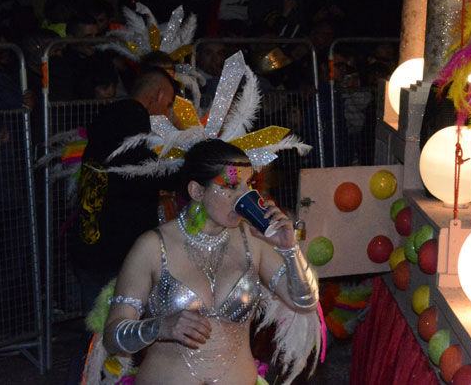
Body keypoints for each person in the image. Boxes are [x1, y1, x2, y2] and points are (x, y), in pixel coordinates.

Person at [98, 139, 318, 385]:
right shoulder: (152, 246)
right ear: (197, 191)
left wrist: (289, 249)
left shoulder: (254, 242)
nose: (244, 196)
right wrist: (160, 327)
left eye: (248, 185)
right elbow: (112, 337)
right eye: (232, 186)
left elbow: (304, 301)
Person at [69, 68, 179, 310]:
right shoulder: (132, 122)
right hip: (117, 244)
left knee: (98, 322)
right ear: (158, 95)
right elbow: (146, 170)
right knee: (119, 324)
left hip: (91, 235)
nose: (167, 112)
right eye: (169, 103)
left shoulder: (108, 119)